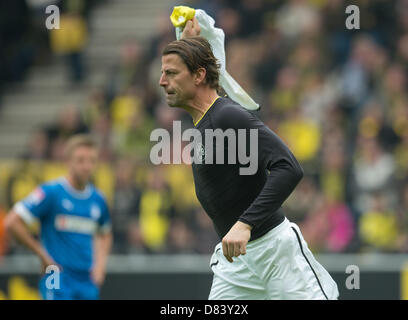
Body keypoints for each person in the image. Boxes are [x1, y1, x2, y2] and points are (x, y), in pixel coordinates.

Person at [159, 17, 339, 299]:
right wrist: (191, 40)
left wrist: (245, 224)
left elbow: (288, 167)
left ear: (198, 76)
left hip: (275, 254)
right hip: (235, 263)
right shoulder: (207, 120)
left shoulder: (226, 115)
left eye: (171, 73)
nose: (162, 81)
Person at [5, 134, 112, 300]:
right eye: (80, 160)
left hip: (86, 279)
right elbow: (12, 222)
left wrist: (100, 267)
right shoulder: (51, 193)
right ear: (68, 161)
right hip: (55, 276)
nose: (87, 166)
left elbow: (105, 233)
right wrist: (42, 255)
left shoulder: (98, 199)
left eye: (91, 160)